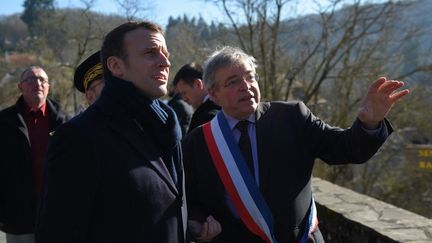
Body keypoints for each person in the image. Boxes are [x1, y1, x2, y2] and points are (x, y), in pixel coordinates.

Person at [182, 46, 410, 243]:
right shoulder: (198, 142)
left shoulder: (291, 116)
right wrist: (198, 225)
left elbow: (345, 148)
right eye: (233, 81)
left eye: (250, 77)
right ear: (213, 94)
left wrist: (369, 123)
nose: (246, 86)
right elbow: (191, 201)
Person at [35, 21, 209, 243]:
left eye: (165, 54)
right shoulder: (79, 136)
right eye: (150, 53)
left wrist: (189, 222)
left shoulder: (165, 126)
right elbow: (59, 234)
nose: (165, 62)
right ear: (116, 66)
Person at [0, 66, 67, 243]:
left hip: (57, 212)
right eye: (30, 79)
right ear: (20, 87)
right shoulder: (4, 122)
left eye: (42, 80)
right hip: (17, 214)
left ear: (48, 87)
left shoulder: (66, 123)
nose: (37, 83)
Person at [173, 62, 220, 133]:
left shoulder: (210, 117)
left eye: (184, 93)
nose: (184, 99)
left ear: (198, 84)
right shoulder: (212, 110)